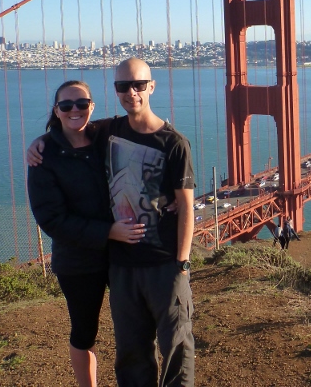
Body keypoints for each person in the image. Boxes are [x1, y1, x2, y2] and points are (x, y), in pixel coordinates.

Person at [29, 58, 195, 387]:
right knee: (129, 351)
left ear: (151, 86)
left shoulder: (172, 143)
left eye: (138, 84)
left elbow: (187, 206)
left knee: (175, 347)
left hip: (163, 262)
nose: (131, 92)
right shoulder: (106, 132)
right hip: (118, 263)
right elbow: (70, 130)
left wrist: (182, 262)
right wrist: (41, 142)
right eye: (122, 86)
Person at [27, 80, 147, 387]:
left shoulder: (105, 136)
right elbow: (51, 220)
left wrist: (175, 193)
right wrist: (109, 232)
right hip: (78, 260)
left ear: (91, 107)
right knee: (84, 331)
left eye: (81, 104)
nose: (74, 110)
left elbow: (146, 125)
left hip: (122, 254)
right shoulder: (44, 158)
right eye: (66, 106)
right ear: (56, 111)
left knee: (136, 326)